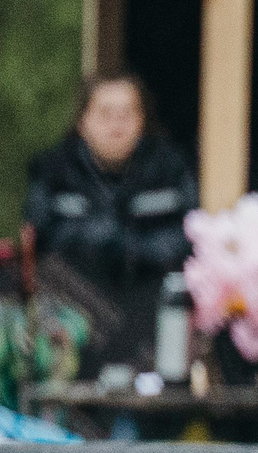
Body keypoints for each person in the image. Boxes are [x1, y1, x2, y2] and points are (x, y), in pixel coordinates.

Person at [24, 70, 197, 367]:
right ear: (82, 121)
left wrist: (128, 246)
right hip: (74, 331)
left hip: (152, 329)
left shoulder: (171, 168)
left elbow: (191, 238)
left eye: (127, 113)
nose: (117, 124)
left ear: (142, 121)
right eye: (106, 113)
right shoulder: (53, 171)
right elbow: (37, 243)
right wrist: (97, 240)